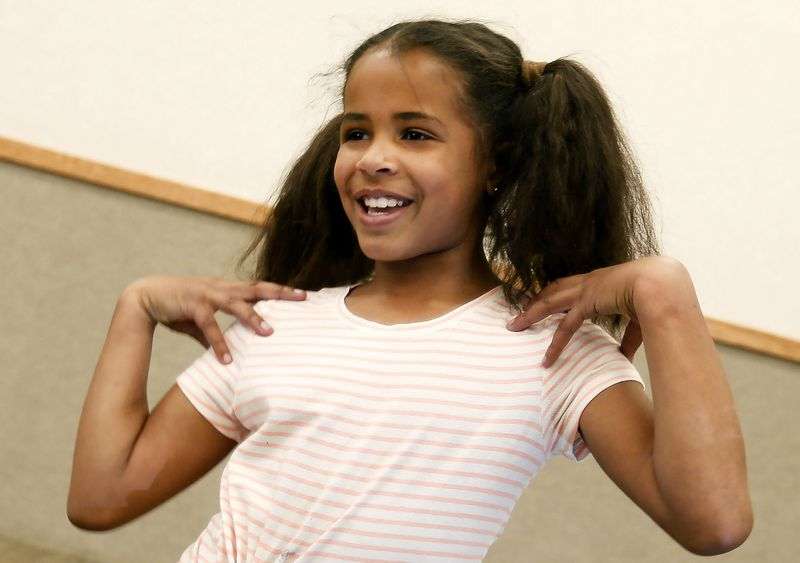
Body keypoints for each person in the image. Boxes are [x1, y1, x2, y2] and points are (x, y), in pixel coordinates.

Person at [68, 18, 752, 561]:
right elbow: (100, 497)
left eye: (416, 133)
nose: (373, 159)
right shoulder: (278, 324)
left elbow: (715, 523)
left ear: (496, 165)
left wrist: (666, 294)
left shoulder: (552, 349)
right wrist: (135, 308)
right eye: (355, 132)